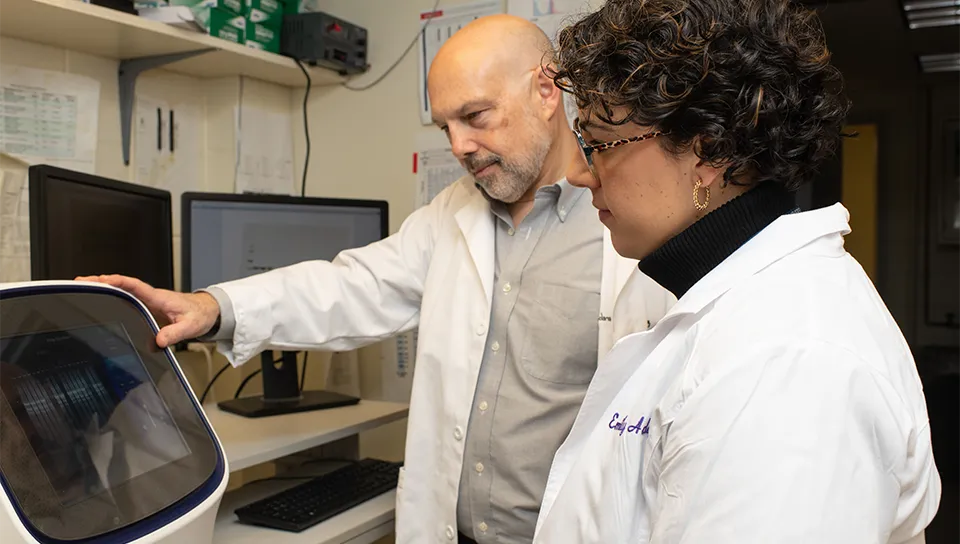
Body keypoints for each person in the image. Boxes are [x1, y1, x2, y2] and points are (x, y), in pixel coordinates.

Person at [78, 14, 674, 544]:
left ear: (547, 90)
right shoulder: (452, 215)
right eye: (445, 127)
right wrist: (212, 306)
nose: (461, 146)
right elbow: (348, 287)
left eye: (475, 116)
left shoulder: (630, 219)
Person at [531, 0, 942, 542]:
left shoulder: (788, 360)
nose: (581, 174)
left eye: (600, 144)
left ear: (709, 149)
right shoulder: (742, 310)